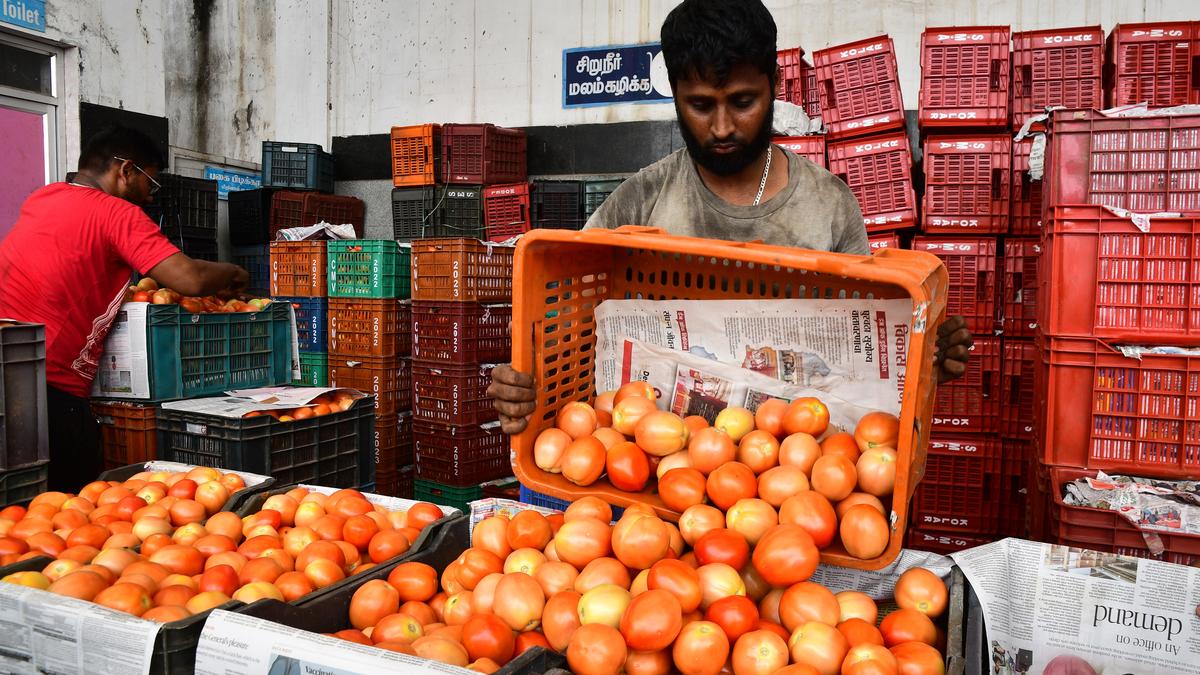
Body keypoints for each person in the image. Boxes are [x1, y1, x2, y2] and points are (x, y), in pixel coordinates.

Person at [489, 0, 972, 435]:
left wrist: (925, 356)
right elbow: (560, 329)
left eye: (742, 102)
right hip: (656, 468)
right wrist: (526, 380)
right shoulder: (640, 201)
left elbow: (866, 359)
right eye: (700, 105)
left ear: (774, 85)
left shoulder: (828, 205)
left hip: (791, 467)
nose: (722, 128)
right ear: (675, 93)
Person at [0, 126, 249, 490]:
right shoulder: (117, 213)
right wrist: (232, 272)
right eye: (151, 182)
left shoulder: (44, 196)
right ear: (126, 170)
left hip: (9, 367)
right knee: (71, 500)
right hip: (51, 387)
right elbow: (190, 279)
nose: (149, 195)